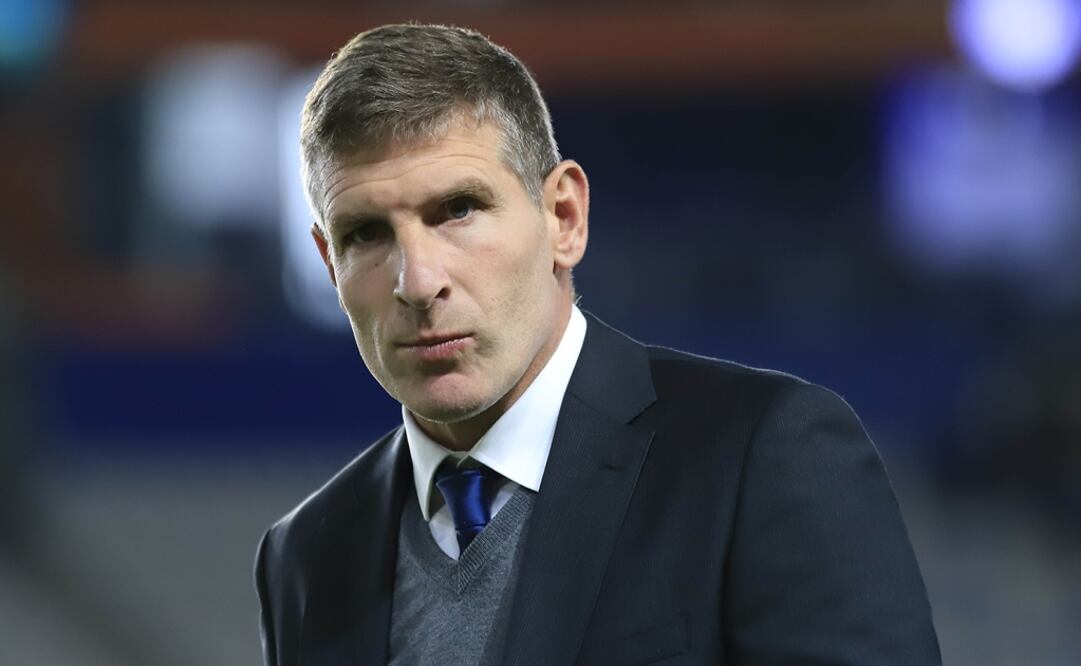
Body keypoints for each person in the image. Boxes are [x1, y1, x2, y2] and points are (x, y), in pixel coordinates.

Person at [255, 23, 941, 665]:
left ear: (564, 218)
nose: (417, 281)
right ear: (327, 262)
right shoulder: (306, 556)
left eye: (457, 210)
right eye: (366, 234)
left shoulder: (763, 456)